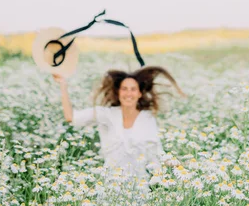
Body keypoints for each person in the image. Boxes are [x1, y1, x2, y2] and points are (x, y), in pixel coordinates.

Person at [53, 66, 185, 179]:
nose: (129, 93)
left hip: (139, 186)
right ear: (118, 92)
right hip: (110, 186)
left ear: (139, 93)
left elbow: (156, 151)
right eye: (124, 89)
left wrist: (180, 168)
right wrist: (63, 85)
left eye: (133, 89)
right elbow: (71, 117)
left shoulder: (147, 117)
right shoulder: (106, 114)